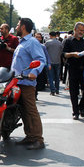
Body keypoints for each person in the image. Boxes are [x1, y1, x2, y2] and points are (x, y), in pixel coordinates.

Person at [11, 18, 46, 150]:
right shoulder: (21, 42)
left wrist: (34, 72)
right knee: (23, 110)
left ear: (23, 27)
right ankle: (29, 136)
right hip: (16, 82)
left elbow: (40, 60)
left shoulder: (32, 42)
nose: (16, 27)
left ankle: (38, 139)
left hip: (26, 82)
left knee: (31, 110)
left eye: (18, 25)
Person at [63, 22, 84, 120]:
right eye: (80, 30)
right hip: (73, 69)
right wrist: (72, 54)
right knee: (73, 92)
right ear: (75, 29)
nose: (81, 32)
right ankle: (75, 112)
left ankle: (81, 106)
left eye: (83, 30)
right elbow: (64, 54)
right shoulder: (68, 41)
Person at [45, 31, 63, 96]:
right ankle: (57, 89)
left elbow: (45, 52)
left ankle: (52, 90)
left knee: (50, 77)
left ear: (50, 35)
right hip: (58, 61)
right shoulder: (60, 43)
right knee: (57, 77)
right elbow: (61, 52)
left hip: (49, 62)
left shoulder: (47, 43)